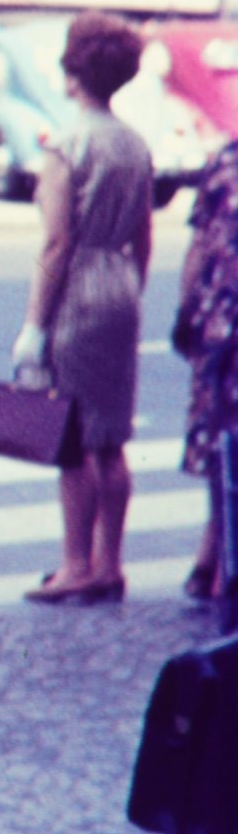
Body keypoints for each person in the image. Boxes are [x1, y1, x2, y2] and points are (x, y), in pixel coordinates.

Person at [16, 12, 153, 606]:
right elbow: (144, 237)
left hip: (78, 289)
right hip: (120, 283)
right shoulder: (135, 143)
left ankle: (76, 563)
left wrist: (32, 326)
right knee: (111, 436)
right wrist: (128, 288)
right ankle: (110, 561)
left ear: (74, 73)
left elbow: (56, 243)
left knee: (71, 436)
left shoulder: (66, 145)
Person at [175, 137, 238, 631]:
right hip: (224, 330)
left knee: (223, 445)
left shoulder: (224, 161)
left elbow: (199, 246)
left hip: (222, 327)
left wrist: (187, 308)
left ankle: (215, 560)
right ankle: (214, 558)